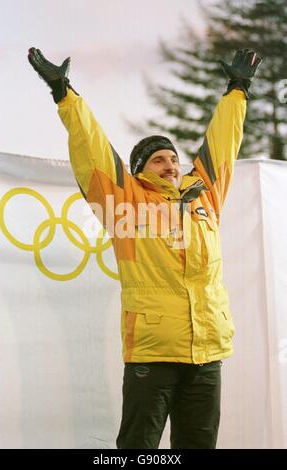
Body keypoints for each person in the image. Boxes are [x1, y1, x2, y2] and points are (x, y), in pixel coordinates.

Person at [28, 47, 261, 449]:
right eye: (158, 160)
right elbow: (92, 147)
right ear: (139, 172)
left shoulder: (204, 196)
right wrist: (65, 93)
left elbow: (223, 144)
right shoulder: (124, 201)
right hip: (152, 355)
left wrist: (237, 90)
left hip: (207, 354)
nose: (171, 165)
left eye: (173, 157)